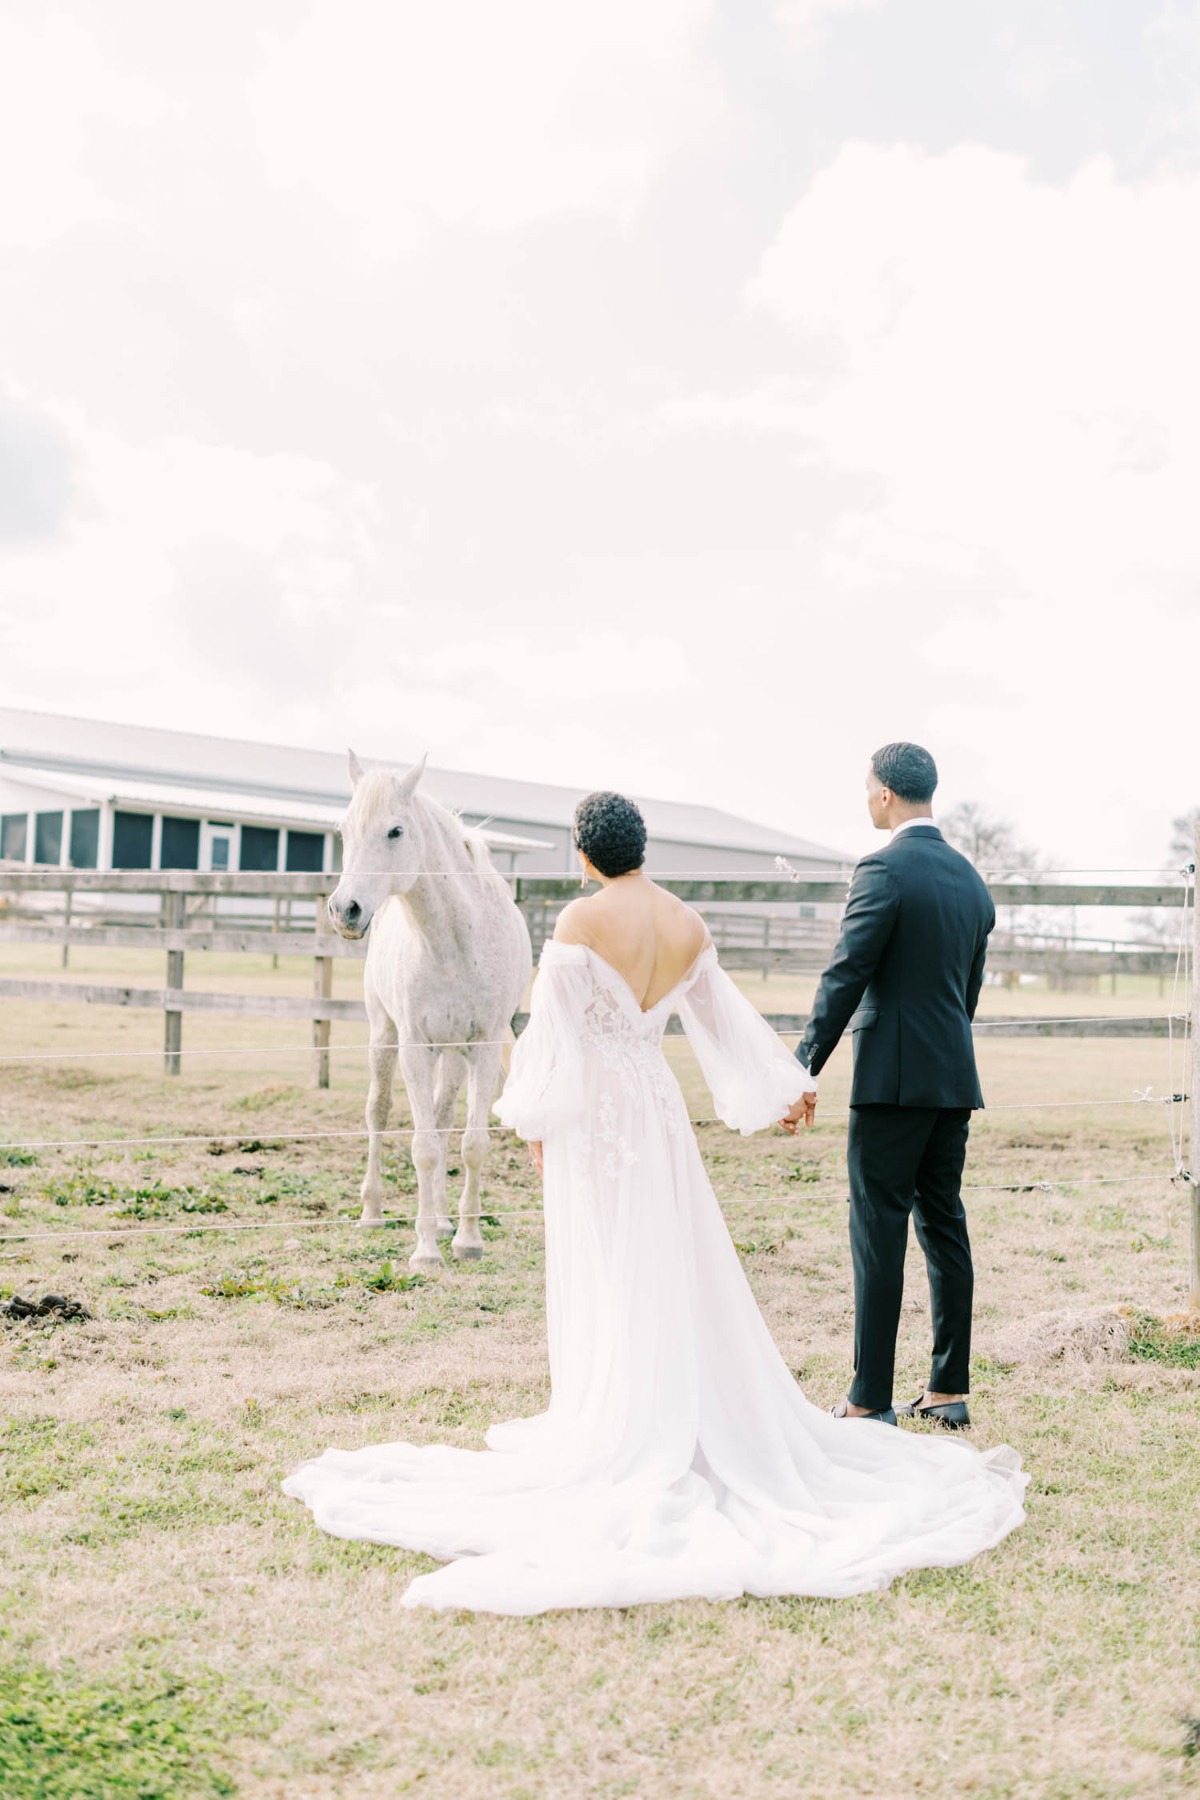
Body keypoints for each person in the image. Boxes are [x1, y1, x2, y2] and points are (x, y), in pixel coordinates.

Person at [283, 789, 1024, 1616]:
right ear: (641, 848)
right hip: (656, 1111)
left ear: (584, 854)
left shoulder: (575, 926)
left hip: (593, 1122)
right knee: (668, 1255)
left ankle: (621, 1419)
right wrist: (787, 1085)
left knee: (609, 1263)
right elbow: (723, 1024)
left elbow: (547, 1042)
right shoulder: (687, 924)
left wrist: (528, 1120)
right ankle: (674, 1406)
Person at [781, 742, 994, 1429]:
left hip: (891, 1085)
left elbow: (847, 973)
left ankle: (869, 1398)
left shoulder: (883, 868)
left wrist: (801, 1065)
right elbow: (968, 993)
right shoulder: (971, 881)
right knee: (944, 1223)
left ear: (883, 796)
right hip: (952, 1077)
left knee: (878, 1231)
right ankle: (947, 1390)